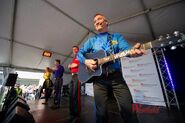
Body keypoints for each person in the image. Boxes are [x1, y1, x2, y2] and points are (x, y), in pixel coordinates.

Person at [77, 13, 144, 123]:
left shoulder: (116, 37)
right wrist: (86, 61)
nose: (96, 22)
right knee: (101, 113)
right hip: (99, 80)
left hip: (116, 77)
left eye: (99, 19)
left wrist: (132, 52)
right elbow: (80, 53)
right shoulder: (92, 41)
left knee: (128, 110)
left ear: (106, 22)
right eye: (94, 21)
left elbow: (126, 49)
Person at [68, 46, 81, 120]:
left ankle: (76, 114)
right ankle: (72, 111)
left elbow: (75, 65)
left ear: (78, 50)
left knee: (75, 95)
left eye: (75, 49)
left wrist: (70, 65)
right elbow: (72, 66)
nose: (74, 50)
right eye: (73, 49)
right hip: (73, 76)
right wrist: (70, 66)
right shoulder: (74, 58)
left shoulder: (79, 55)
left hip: (77, 76)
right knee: (71, 94)